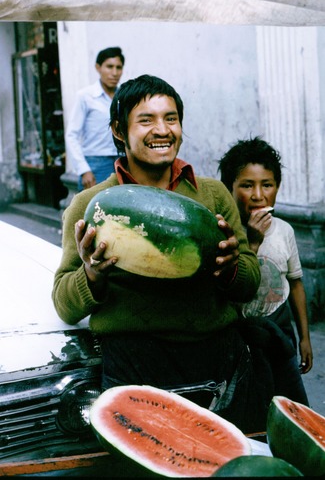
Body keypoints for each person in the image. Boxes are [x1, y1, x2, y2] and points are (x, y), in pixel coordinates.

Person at [52, 75, 267, 434]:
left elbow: (249, 283)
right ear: (119, 131)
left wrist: (231, 268)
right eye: (146, 120)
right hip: (132, 365)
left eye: (171, 118)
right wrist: (91, 274)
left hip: (217, 358)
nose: (162, 130)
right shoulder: (90, 206)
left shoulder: (213, 196)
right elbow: (64, 304)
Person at [218, 136, 313, 405]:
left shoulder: (285, 231)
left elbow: (295, 284)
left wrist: (305, 339)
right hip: (242, 336)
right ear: (230, 189)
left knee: (292, 407)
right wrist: (253, 240)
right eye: (247, 185)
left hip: (279, 328)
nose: (259, 195)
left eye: (267, 185)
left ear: (277, 188)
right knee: (251, 409)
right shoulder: (224, 233)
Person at [65, 47, 125, 191]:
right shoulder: (86, 96)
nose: (114, 73)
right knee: (93, 211)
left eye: (119, 67)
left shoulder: (124, 97)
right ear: (98, 68)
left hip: (123, 161)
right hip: (96, 164)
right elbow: (72, 135)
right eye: (109, 67)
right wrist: (84, 170)